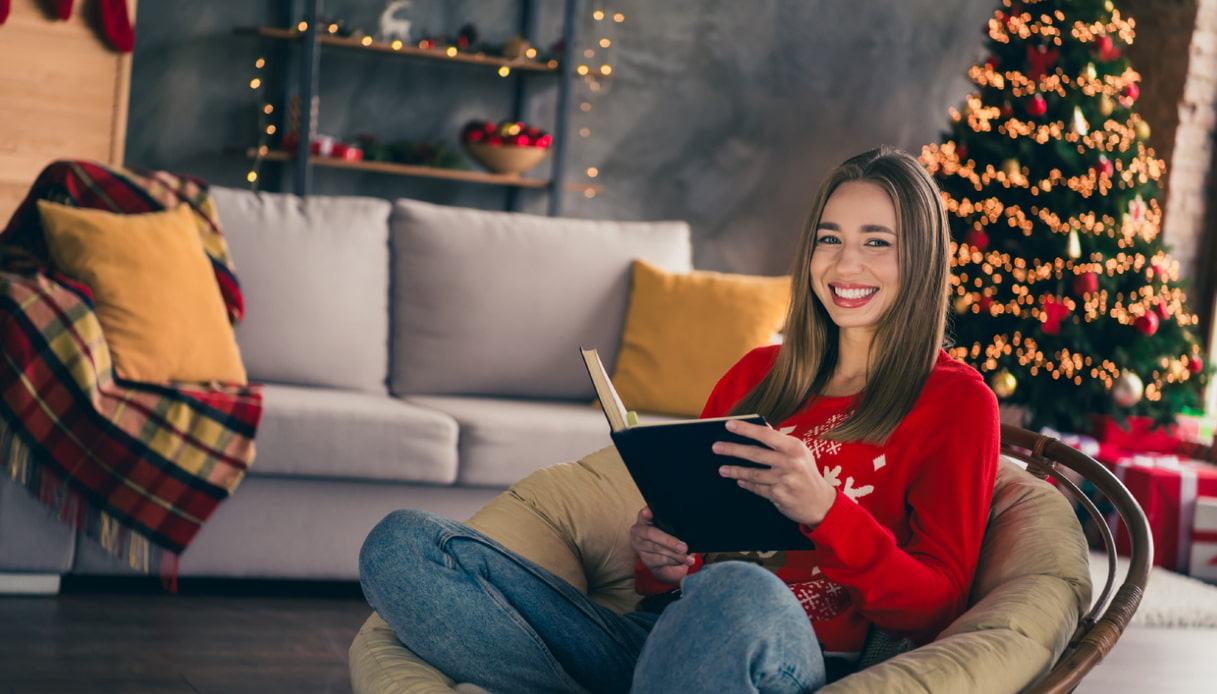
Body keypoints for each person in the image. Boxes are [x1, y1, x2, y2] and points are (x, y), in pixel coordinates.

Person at [358, 145, 1000, 693]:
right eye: (829, 238)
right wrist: (662, 563)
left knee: (739, 592)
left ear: (920, 259)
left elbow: (938, 606)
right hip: (660, 641)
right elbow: (683, 568)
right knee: (403, 545)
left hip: (788, 655)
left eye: (876, 243)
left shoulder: (956, 403)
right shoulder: (756, 376)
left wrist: (825, 510)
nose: (845, 264)